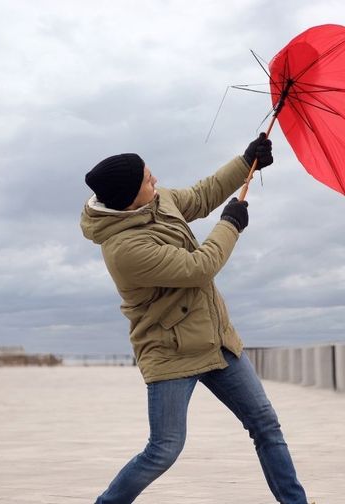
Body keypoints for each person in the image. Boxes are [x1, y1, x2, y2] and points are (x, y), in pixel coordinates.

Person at [80, 134, 308, 503]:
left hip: (216, 341)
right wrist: (231, 224)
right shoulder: (124, 249)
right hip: (172, 354)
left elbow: (202, 195)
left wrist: (245, 160)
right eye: (148, 180)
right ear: (127, 198)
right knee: (163, 450)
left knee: (265, 425)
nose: (156, 182)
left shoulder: (157, 199)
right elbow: (198, 268)